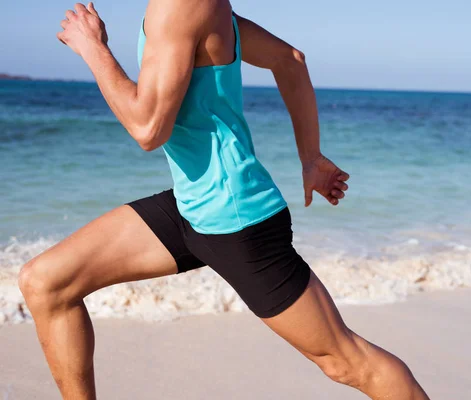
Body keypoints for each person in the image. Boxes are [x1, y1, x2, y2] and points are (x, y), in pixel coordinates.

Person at [18, 1, 430, 399]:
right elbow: (291, 59)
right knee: (46, 283)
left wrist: (93, 48)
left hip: (239, 224)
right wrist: (311, 158)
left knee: (345, 361)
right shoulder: (206, 7)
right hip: (192, 207)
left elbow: (148, 129)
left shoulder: (181, 5)